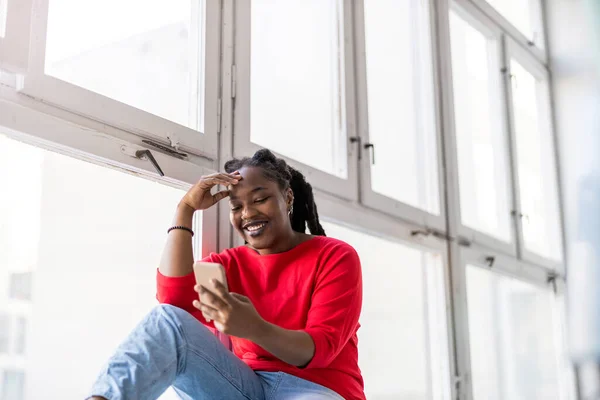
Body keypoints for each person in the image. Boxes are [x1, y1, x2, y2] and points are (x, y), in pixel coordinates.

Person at [87, 149, 365, 400]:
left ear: (287, 197)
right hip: (245, 387)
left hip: (317, 389)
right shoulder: (229, 263)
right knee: (167, 320)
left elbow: (318, 350)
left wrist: (254, 327)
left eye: (260, 199)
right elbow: (173, 303)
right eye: (236, 206)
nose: (248, 213)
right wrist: (185, 210)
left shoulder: (335, 256)